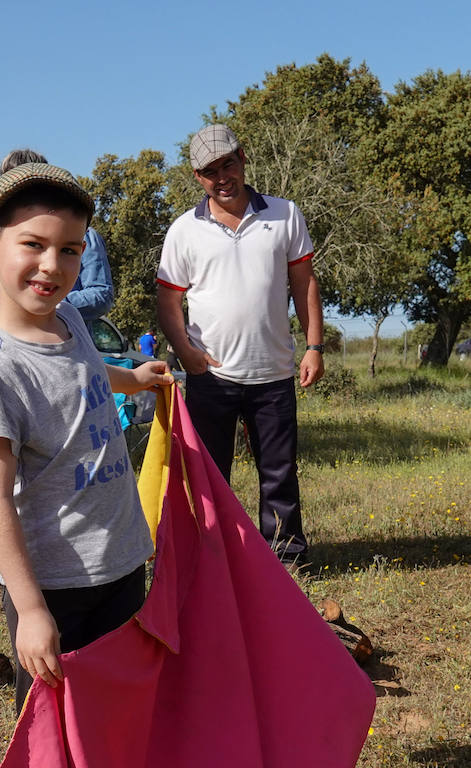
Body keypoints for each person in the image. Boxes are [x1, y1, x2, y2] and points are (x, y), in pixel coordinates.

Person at [0, 162, 171, 768]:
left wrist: (136, 377)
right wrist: (28, 611)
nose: (52, 266)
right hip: (52, 587)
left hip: (120, 562)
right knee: (49, 733)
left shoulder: (71, 325)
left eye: (71, 251)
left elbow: (85, 380)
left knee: (114, 712)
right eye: (34, 246)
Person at [155, 124, 325, 569]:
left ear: (243, 158)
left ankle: (286, 558)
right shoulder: (183, 230)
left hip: (273, 372)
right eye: (209, 171)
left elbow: (304, 281)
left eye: (227, 164)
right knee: (210, 479)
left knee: (279, 473)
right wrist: (186, 353)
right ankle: (214, 557)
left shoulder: (285, 215)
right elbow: (168, 300)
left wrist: (314, 346)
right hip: (209, 375)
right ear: (197, 178)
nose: (221, 177)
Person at [0, 148, 114, 322]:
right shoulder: (4, 239)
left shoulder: (85, 236)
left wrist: (44, 301)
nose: (50, 266)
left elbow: (101, 295)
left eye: (67, 250)